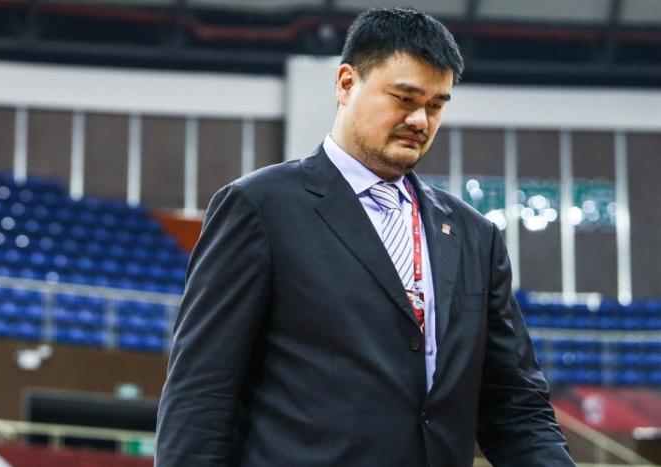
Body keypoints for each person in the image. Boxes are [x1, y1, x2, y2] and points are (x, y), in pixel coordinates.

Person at [155, 7, 575, 467]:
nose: (421, 120)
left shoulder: (476, 236)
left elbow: (516, 406)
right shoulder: (259, 208)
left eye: (436, 105)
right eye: (404, 98)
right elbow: (201, 394)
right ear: (346, 83)